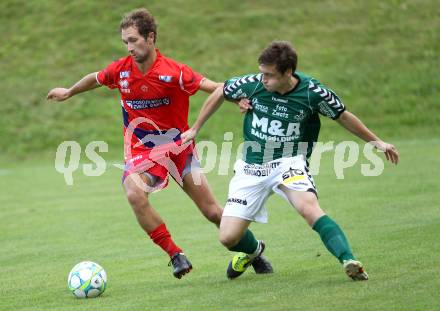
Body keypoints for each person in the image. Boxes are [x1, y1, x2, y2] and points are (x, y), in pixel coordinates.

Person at [46, 8, 272, 279]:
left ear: (150, 38)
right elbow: (95, 78)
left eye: (133, 40)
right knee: (133, 192)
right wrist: (69, 92)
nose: (129, 47)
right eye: (125, 42)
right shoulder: (121, 71)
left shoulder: (173, 72)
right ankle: (175, 254)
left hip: (179, 149)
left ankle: (253, 250)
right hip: (144, 153)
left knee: (212, 212)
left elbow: (212, 85)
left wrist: (237, 98)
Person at [182, 41, 399, 281]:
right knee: (228, 238)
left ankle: (348, 260)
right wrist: (195, 128)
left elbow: (343, 116)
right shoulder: (253, 84)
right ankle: (254, 251)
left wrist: (377, 142)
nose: (263, 79)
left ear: (288, 73)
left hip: (289, 162)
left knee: (309, 208)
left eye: (269, 75)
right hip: (252, 166)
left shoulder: (312, 93)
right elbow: (222, 91)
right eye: (261, 73)